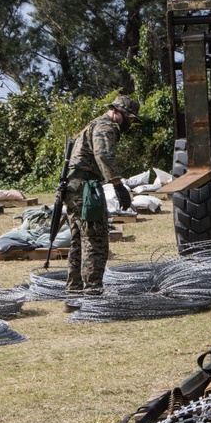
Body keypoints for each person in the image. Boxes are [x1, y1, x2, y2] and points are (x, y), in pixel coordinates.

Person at [63, 94, 139, 301]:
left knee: (78, 239)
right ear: (115, 112)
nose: (129, 123)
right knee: (95, 239)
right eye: (127, 118)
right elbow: (103, 155)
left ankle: (74, 289)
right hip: (85, 188)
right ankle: (92, 292)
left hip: (74, 186)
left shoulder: (92, 125)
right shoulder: (106, 127)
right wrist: (118, 184)